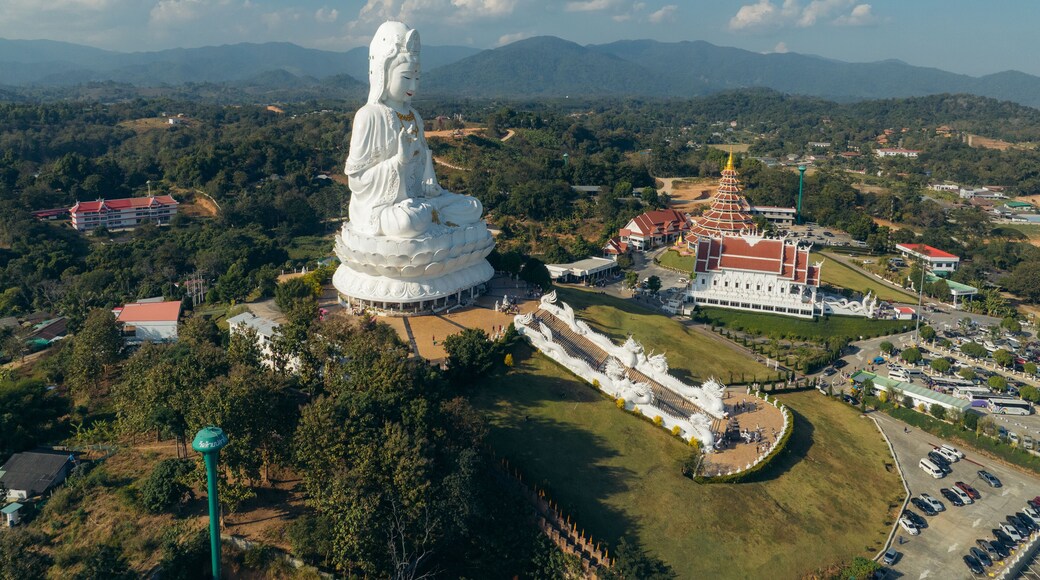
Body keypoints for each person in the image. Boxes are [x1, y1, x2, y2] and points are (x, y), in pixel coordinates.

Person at [345, 21, 483, 238]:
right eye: (407, 77)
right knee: (406, 222)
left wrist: (430, 183)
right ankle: (429, 217)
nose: (413, 87)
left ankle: (430, 215)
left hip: (420, 201)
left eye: (417, 78)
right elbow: (357, 181)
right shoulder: (369, 115)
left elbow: (422, 169)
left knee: (473, 206)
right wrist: (398, 161)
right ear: (383, 73)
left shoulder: (415, 116)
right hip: (385, 207)